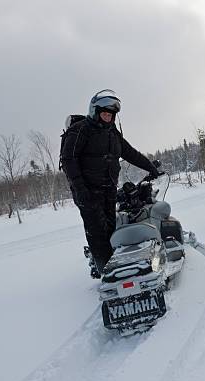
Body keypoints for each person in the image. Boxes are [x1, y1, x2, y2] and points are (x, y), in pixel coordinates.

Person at [60, 89, 161, 277]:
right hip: (87, 192)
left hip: (108, 190)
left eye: (110, 114)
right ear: (95, 112)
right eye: (104, 113)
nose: (107, 117)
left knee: (110, 229)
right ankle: (106, 273)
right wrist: (80, 188)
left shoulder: (112, 133)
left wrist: (150, 167)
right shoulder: (81, 130)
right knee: (97, 233)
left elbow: (130, 153)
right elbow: (68, 160)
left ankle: (116, 266)